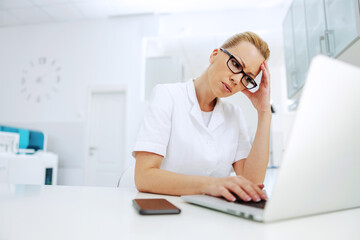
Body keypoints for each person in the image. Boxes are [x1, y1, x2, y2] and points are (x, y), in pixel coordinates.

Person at [132, 31, 271, 203]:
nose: (236, 79)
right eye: (235, 64)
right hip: (166, 214)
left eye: (247, 78)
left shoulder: (234, 115)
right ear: (214, 55)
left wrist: (264, 112)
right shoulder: (167, 95)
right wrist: (210, 185)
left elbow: (251, 185)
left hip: (213, 218)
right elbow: (144, 176)